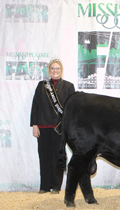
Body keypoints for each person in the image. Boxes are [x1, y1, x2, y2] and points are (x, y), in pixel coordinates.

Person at [30, 58, 75, 194]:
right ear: (49, 70)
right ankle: (44, 186)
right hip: (43, 128)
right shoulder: (42, 85)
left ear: (61, 70)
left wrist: (68, 127)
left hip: (59, 128)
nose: (55, 71)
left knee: (58, 157)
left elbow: (71, 108)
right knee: (44, 157)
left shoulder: (68, 86)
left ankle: (56, 186)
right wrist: (34, 125)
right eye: (52, 68)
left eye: (57, 68)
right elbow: (35, 106)